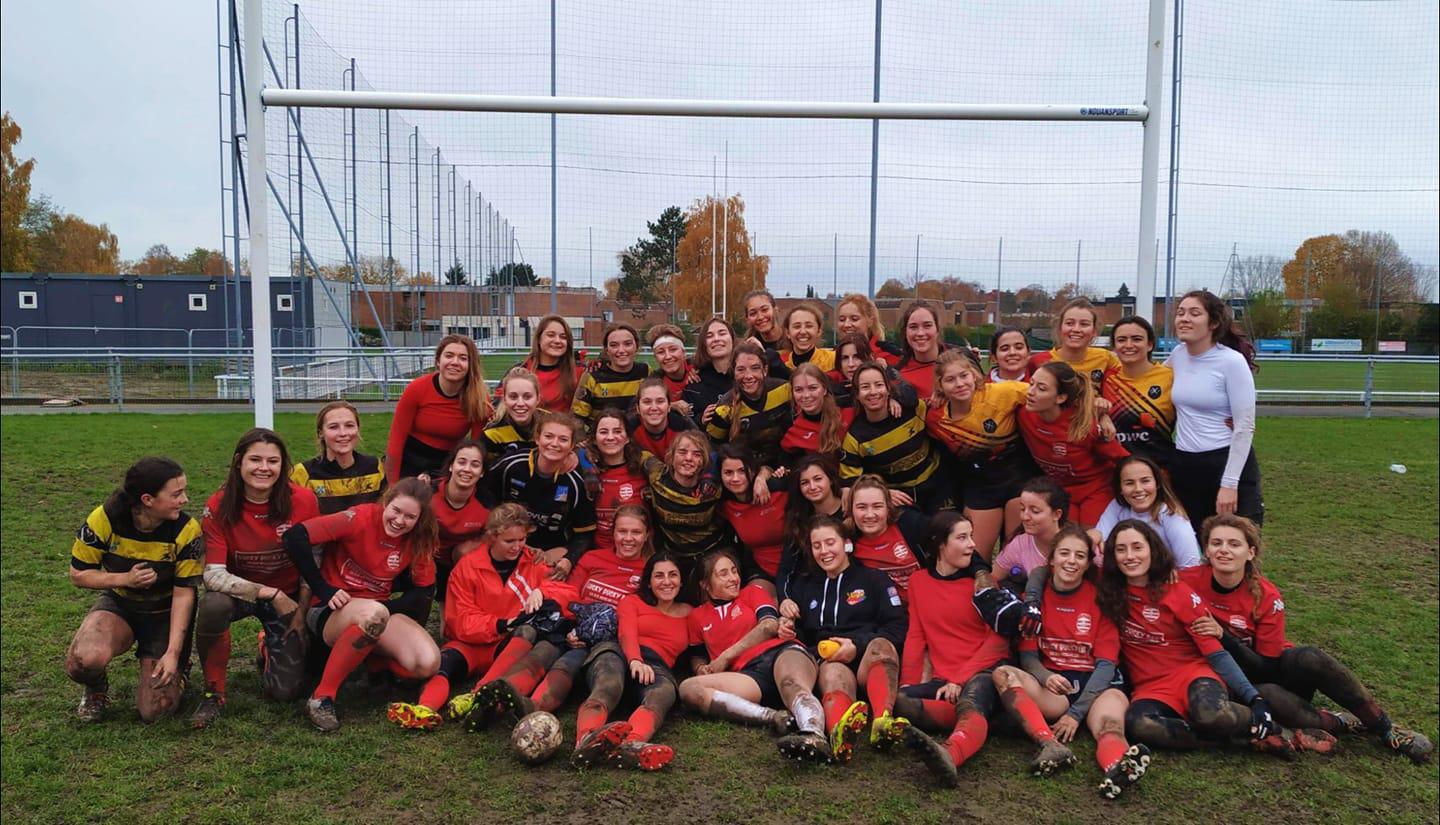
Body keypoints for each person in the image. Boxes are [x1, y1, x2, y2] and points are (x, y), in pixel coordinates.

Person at [1184, 514, 1432, 764]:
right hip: (1230, 681)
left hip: (1265, 671)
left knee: (1308, 657)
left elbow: (1267, 666)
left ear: (1250, 552)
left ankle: (1384, 726)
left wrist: (1223, 636)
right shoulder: (1185, 581)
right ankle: (1338, 722)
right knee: (1267, 695)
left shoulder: (1266, 595)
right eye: (1216, 543)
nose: (1224, 550)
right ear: (1206, 549)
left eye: (1233, 544)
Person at [1096, 520, 1324, 759]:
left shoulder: (1176, 590)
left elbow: (1215, 653)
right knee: (1138, 726)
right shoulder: (1110, 595)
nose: (1130, 556)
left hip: (1193, 675)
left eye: (1137, 547)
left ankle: (1273, 727)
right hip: (1151, 687)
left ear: (1152, 550)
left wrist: (1254, 698)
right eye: (1121, 550)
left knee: (1209, 713)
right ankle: (1242, 738)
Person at [992, 524, 1152, 798]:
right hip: (1057, 687)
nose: (1071, 561)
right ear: (1051, 559)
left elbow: (1106, 665)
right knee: (1003, 674)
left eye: (1080, 555)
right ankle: (1049, 744)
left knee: (1109, 725)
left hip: (1099, 686)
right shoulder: (1034, 601)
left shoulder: (1102, 599)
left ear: (1088, 562)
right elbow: (1028, 657)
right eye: (1064, 553)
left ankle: (1117, 769)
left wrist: (1075, 715)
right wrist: (1046, 677)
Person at [386, 504, 571, 730]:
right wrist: (501, 624)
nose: (518, 546)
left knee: (528, 632)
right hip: (471, 643)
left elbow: (568, 593)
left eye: (521, 539)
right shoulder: (468, 567)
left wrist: (542, 592)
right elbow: (459, 620)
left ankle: (477, 695)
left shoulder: (533, 562)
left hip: (509, 645)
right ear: (492, 537)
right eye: (509, 541)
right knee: (444, 665)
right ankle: (425, 709)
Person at [283, 478, 442, 732]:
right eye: (396, 511)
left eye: (410, 517)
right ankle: (322, 697)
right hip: (329, 610)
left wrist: (392, 611)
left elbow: (423, 591)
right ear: (386, 503)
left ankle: (373, 663)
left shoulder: (418, 539)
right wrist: (324, 588)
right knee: (375, 613)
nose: (400, 521)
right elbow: (295, 536)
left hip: (374, 612)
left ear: (420, 519)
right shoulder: (358, 518)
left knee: (428, 662)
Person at [193, 428, 320, 728]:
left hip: (290, 597)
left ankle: (266, 645)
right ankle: (214, 693)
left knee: (285, 692)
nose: (264, 468)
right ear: (239, 462)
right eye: (256, 459)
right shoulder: (219, 505)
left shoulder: (303, 500)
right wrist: (269, 593)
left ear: (283, 466)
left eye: (273, 461)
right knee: (212, 606)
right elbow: (213, 576)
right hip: (242, 593)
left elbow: (313, 562)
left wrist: (301, 612)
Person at [66, 457, 202, 723]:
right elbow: (78, 574)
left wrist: (174, 652)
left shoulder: (187, 530)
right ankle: (96, 688)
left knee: (156, 710)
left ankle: (180, 668)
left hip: (164, 613)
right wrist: (125, 579)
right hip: (121, 606)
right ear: (147, 500)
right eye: (176, 494)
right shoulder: (104, 518)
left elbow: (185, 594)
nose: (185, 499)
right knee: (82, 661)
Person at [678, 550, 831, 763]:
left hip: (781, 652)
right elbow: (696, 654)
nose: (733, 578)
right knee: (689, 689)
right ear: (705, 584)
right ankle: (772, 717)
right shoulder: (696, 616)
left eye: (734, 571)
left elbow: (768, 625)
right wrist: (700, 668)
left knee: (791, 683)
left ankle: (814, 735)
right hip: (748, 674)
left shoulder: (752, 592)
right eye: (723, 574)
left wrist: (725, 656)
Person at [894, 511, 1011, 787]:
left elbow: (997, 643)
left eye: (971, 536)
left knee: (972, 697)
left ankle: (950, 753)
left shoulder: (983, 585)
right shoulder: (919, 582)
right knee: (900, 701)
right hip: (943, 681)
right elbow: (916, 635)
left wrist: (960, 678)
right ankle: (982, 721)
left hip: (982, 672)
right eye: (962, 538)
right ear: (939, 543)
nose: (972, 544)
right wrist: (909, 683)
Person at [779, 517, 909, 763]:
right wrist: (788, 628)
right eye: (817, 546)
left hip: (867, 659)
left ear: (847, 544)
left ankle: (883, 722)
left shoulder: (874, 580)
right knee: (832, 673)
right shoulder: (806, 585)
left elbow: (898, 627)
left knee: (881, 645)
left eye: (830, 543)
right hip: (831, 660)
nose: (824, 551)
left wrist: (857, 645)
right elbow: (802, 635)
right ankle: (839, 732)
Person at [925, 348, 1037, 559]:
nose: (959, 384)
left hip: (1018, 480)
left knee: (1016, 554)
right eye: (950, 380)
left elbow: (1045, 392)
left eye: (964, 376)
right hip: (981, 485)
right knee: (974, 557)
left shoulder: (1002, 392)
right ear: (939, 385)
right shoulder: (935, 418)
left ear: (975, 375)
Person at [1168, 290, 1264, 531]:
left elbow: (1244, 426)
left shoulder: (1231, 362)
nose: (1184, 318)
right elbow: (1148, 385)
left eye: (1194, 313)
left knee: (1234, 548)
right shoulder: (1177, 356)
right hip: (1186, 466)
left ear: (1213, 323)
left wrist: (1229, 484)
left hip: (1225, 464)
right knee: (1195, 551)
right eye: (1180, 313)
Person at [1018, 361, 1129, 527]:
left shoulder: (1084, 424)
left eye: (1041, 388)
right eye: (1031, 384)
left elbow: (1122, 459)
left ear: (1061, 398)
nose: (1030, 392)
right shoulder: (1023, 413)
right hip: (1060, 490)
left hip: (1096, 490)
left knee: (1090, 538)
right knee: (1065, 539)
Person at [489, 411, 596, 579]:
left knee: (548, 571)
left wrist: (569, 559)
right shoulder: (512, 465)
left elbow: (584, 533)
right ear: (537, 439)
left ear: (571, 446)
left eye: (563, 439)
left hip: (546, 551)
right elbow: (484, 494)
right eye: (549, 436)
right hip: (506, 541)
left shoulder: (577, 483)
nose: (554, 444)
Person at [840, 362, 947, 512]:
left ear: (888, 389)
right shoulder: (855, 439)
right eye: (865, 387)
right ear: (857, 395)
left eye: (878, 385)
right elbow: (851, 482)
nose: (873, 392)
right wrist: (883, 493)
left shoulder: (914, 410)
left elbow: (947, 412)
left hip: (938, 485)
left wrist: (941, 395)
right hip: (899, 499)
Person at [386, 334, 491, 483]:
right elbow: (395, 442)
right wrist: (393, 487)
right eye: (449, 356)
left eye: (463, 358)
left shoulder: (479, 398)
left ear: (471, 365)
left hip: (447, 464)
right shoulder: (416, 389)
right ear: (438, 361)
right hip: (410, 459)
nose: (455, 362)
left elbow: (476, 449)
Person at [639, 430, 729, 586]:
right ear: (671, 457)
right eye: (682, 452)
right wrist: (587, 458)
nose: (688, 458)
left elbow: (742, 465)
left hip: (713, 553)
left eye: (697, 454)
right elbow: (631, 450)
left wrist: (763, 474)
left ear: (704, 461)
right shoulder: (656, 475)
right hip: (674, 558)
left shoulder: (716, 486)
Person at [1094, 455, 1200, 568]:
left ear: (1157, 484)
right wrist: (1094, 536)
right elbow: (1100, 547)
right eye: (1129, 483)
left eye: (1145, 481)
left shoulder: (1171, 515)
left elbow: (1191, 567)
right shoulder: (1118, 506)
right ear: (1120, 488)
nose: (1138, 489)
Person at [706, 341, 793, 469]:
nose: (748, 376)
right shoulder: (724, 409)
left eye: (755, 368)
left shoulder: (784, 390)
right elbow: (714, 448)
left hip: (784, 464)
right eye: (741, 369)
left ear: (765, 370)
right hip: (745, 470)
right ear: (733, 372)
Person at [1105, 315, 1176, 469]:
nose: (1128, 345)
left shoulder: (1170, 377)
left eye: (1137, 339)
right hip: (1115, 472)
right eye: (1121, 340)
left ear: (1150, 344)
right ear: (1114, 346)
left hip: (1161, 470)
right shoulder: (1106, 379)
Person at [291, 400, 386, 514]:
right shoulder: (301, 474)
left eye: (349, 425)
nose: (343, 433)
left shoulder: (376, 468)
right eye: (333, 427)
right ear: (321, 433)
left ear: (358, 429)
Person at [844, 475, 927, 603]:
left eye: (877, 506)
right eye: (862, 507)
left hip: (925, 605)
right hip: (885, 616)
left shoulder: (911, 524)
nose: (870, 514)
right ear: (851, 510)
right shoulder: (846, 541)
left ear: (888, 508)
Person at [716, 445, 789, 585]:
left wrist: (763, 475)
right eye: (728, 473)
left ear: (752, 469)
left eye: (742, 471)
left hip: (797, 564)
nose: (735, 478)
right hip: (761, 570)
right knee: (758, 602)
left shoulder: (777, 488)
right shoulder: (724, 504)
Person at [778, 454, 847, 599]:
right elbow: (786, 569)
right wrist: (785, 600)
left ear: (831, 479)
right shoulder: (799, 520)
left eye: (818, 479)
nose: (812, 487)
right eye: (805, 483)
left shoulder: (852, 508)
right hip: (815, 591)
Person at [432, 440, 492, 598]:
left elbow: (495, 537)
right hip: (426, 554)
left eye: (475, 464)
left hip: (458, 559)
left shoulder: (487, 504)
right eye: (461, 462)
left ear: (482, 472)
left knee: (466, 550)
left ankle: (465, 596)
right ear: (451, 466)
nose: (467, 469)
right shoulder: (427, 492)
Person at [589, 408, 650, 555]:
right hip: (597, 551)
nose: (610, 437)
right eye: (603, 432)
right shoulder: (585, 471)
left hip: (639, 553)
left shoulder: (644, 470)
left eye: (617, 431)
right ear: (594, 439)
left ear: (628, 437)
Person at [1026, 298, 1120, 391]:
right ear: (1060, 328)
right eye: (1069, 323)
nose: (1076, 329)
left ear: (1094, 331)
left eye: (1084, 324)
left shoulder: (1106, 358)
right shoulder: (1038, 361)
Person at [994, 477, 1072, 586]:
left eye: (1035, 511)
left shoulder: (1078, 544)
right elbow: (993, 579)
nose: (1025, 517)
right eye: (1022, 509)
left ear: (1057, 514)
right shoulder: (1019, 544)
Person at [572, 323, 651, 429]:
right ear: (607, 350)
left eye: (627, 344)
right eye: (614, 345)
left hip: (636, 441)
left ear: (636, 347)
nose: (621, 350)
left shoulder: (646, 372)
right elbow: (576, 419)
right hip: (603, 440)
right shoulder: (592, 376)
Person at [780, 363, 852, 465]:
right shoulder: (790, 423)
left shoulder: (847, 412)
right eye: (798, 390)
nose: (806, 395)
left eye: (813, 388)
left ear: (824, 389)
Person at [517, 314, 584, 412]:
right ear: (539, 339)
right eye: (551, 335)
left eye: (563, 337)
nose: (557, 341)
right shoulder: (521, 371)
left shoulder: (579, 372)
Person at [682, 317, 737, 429]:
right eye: (709, 336)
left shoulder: (747, 376)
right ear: (704, 344)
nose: (716, 339)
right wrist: (701, 419)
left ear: (732, 338)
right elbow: (686, 425)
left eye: (722, 333)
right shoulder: (694, 384)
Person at [482, 368, 542, 467]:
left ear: (538, 399)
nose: (520, 403)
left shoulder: (550, 425)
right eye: (513, 397)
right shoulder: (492, 434)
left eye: (527, 397)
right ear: (504, 399)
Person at [628, 375, 696, 458]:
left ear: (669, 406)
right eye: (647, 402)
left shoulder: (683, 425)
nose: (654, 408)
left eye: (660, 401)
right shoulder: (629, 428)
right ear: (638, 408)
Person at [895, 300, 950, 398]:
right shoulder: (898, 375)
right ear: (905, 332)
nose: (920, 333)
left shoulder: (961, 361)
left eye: (927, 326)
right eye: (913, 327)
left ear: (937, 329)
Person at [836, 293, 902, 366]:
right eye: (842, 320)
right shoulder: (833, 354)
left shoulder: (890, 352)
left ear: (870, 321)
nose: (846, 325)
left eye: (854, 319)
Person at [647, 323, 696, 417]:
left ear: (683, 352)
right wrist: (671, 405)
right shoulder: (654, 381)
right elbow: (638, 408)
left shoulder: (699, 367)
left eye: (673, 349)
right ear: (655, 357)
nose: (668, 356)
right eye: (661, 352)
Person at [777, 302, 837, 373]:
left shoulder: (833, 360)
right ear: (788, 333)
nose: (803, 332)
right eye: (797, 326)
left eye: (809, 326)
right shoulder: (779, 363)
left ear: (819, 331)